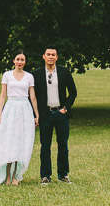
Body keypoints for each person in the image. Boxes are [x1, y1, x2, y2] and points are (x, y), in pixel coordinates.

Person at [0, 50, 39, 185]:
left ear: (25, 62)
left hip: (24, 109)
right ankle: (7, 176)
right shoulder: (7, 75)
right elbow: (2, 95)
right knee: (9, 141)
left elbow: (33, 97)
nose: (20, 62)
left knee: (20, 141)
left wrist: (37, 115)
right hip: (11, 108)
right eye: (17, 59)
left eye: (22, 60)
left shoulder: (29, 76)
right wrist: (0, 114)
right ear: (13, 61)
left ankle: (15, 176)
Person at [32, 46, 77, 184]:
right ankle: (45, 176)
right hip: (45, 114)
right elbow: (32, 96)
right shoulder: (37, 74)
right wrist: (36, 114)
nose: (50, 57)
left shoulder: (64, 72)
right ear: (43, 56)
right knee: (45, 146)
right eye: (48, 54)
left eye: (53, 55)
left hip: (60, 113)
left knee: (63, 145)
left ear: (57, 57)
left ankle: (63, 174)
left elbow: (73, 92)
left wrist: (66, 108)